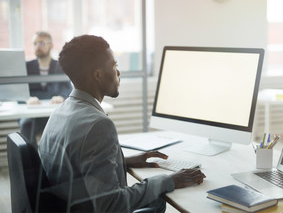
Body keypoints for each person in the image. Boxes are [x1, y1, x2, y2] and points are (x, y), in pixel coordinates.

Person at [38, 35, 206, 212]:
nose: (118, 72)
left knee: (154, 199)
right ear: (98, 75)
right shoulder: (98, 125)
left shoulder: (60, 112)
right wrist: (168, 180)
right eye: (114, 65)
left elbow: (75, 169)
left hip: (69, 203)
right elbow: (111, 205)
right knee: (158, 199)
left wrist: (122, 161)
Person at [19, 31, 72, 147]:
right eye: (35, 43)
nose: (38, 46)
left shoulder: (61, 66)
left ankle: (57, 161)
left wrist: (61, 97)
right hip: (32, 114)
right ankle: (31, 162)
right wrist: (26, 98)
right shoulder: (26, 67)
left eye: (42, 43)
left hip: (53, 113)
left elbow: (68, 88)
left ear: (51, 46)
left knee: (67, 125)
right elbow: (19, 90)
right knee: (26, 124)